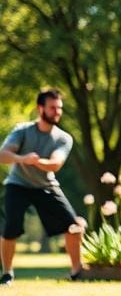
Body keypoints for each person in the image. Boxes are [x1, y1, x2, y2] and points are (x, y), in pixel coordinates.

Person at [0, 88, 86, 285]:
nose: (57, 112)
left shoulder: (63, 138)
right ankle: (7, 274)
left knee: (73, 226)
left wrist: (35, 161)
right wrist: (22, 158)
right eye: (52, 108)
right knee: (11, 226)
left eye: (59, 108)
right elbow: (2, 155)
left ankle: (76, 272)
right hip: (18, 184)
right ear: (40, 108)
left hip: (46, 185)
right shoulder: (22, 131)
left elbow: (55, 164)